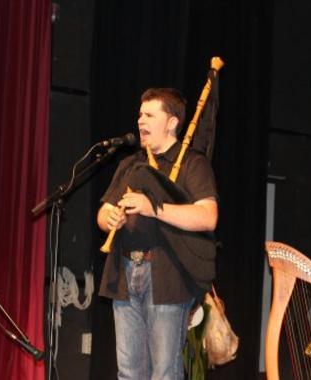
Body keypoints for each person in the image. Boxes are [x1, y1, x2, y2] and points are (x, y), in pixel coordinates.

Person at [97, 87, 219, 380]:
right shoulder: (131, 164)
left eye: (149, 114)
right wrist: (109, 218)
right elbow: (103, 213)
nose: (141, 121)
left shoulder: (192, 162)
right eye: (140, 114)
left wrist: (155, 209)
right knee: (128, 373)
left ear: (172, 122)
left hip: (168, 276)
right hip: (124, 273)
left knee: (164, 373)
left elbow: (208, 217)